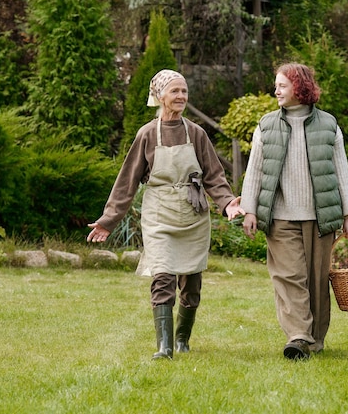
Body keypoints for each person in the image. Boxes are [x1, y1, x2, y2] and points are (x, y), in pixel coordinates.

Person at [87, 69, 245, 360]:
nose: (181, 96)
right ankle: (165, 346)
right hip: (159, 214)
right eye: (175, 91)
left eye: (184, 91)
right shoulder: (147, 134)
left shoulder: (196, 133)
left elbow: (214, 177)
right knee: (162, 276)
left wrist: (228, 204)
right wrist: (109, 220)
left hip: (193, 215)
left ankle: (183, 338)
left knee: (192, 281)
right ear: (160, 96)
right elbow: (127, 181)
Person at [240, 62, 348, 360]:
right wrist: (249, 209)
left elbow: (341, 172)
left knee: (316, 281)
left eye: (282, 85)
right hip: (280, 217)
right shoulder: (266, 125)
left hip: (320, 218)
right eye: (276, 85)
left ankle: (314, 339)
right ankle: (298, 335)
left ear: (299, 87)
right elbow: (254, 170)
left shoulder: (328, 125)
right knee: (289, 277)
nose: (276, 90)